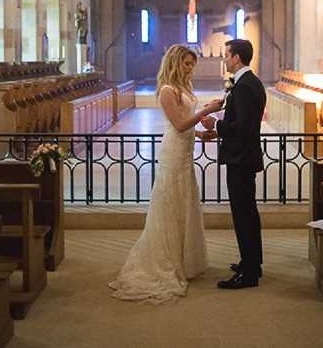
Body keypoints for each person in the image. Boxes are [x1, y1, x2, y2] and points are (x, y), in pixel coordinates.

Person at [109, 44, 222, 303]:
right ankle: (167, 260)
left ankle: (184, 260)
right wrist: (206, 111)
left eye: (192, 64)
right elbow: (180, 124)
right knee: (170, 206)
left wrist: (203, 133)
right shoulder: (167, 91)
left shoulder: (184, 89)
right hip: (173, 153)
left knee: (185, 204)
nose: (191, 69)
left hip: (185, 153)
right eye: (186, 64)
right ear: (174, 63)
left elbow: (188, 124)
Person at [210, 38, 266, 289]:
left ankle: (250, 273)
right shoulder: (249, 82)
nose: (224, 59)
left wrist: (216, 125)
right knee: (248, 213)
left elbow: (242, 129)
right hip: (244, 156)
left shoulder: (244, 87)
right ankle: (251, 262)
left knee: (243, 215)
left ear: (236, 58)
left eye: (226, 55)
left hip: (240, 158)